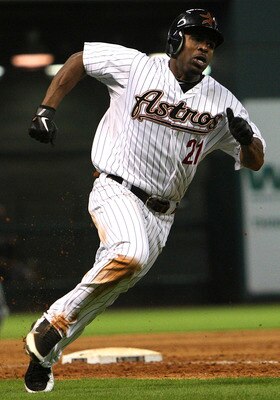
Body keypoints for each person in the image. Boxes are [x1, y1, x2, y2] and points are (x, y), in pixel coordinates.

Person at [23, 8, 265, 392]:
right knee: (130, 254)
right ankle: (53, 324)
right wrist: (46, 109)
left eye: (211, 42)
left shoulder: (224, 102)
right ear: (175, 40)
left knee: (115, 282)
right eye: (197, 37)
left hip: (163, 215)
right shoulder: (136, 67)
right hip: (116, 187)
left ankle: (44, 356)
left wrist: (246, 139)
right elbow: (79, 60)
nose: (205, 46)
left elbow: (256, 161)